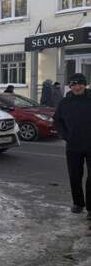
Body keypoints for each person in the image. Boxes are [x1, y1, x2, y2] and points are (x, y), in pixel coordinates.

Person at [53, 73, 91, 218]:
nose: (77, 87)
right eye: (74, 84)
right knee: (75, 176)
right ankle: (78, 203)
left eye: (80, 83)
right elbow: (57, 121)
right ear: (70, 86)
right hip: (73, 145)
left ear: (85, 84)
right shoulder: (65, 103)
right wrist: (65, 135)